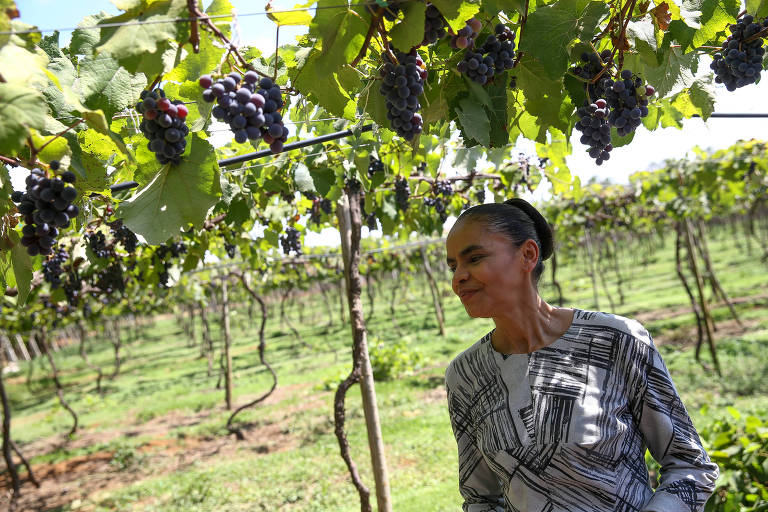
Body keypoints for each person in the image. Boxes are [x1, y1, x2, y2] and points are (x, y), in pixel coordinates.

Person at [443, 198, 719, 512]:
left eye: (474, 259)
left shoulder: (615, 341)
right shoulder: (466, 375)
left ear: (527, 255)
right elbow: (480, 498)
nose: (458, 278)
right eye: (453, 266)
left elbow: (689, 465)